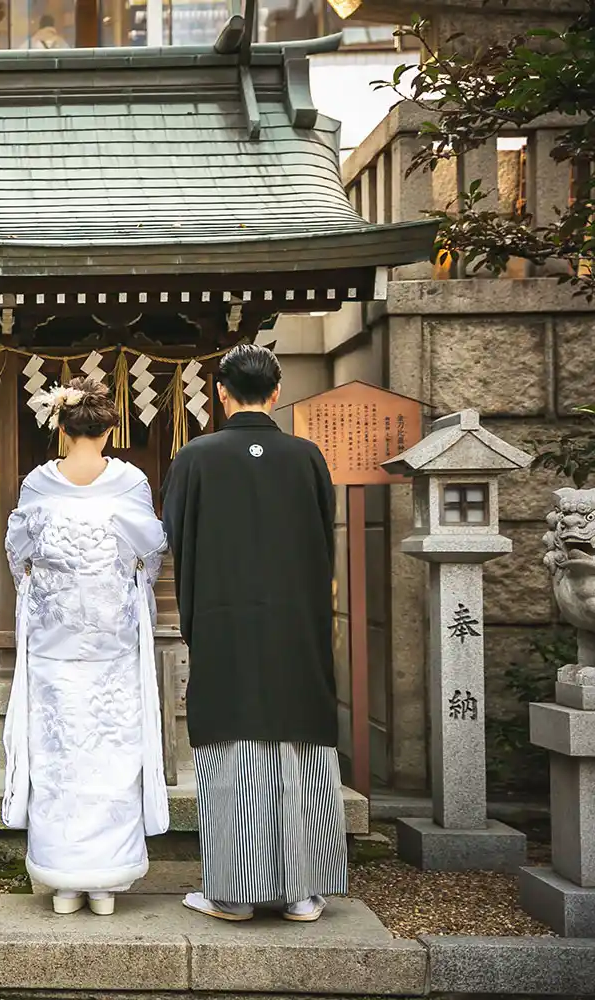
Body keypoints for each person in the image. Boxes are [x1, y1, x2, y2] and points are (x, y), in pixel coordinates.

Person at [160, 343, 346, 923]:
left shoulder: (196, 457)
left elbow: (175, 538)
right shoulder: (307, 457)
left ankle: (232, 892)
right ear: (277, 391)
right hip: (295, 624)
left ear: (219, 392)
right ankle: (301, 892)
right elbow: (323, 543)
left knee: (231, 751)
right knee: (298, 750)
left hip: (223, 619)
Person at [2, 376, 169, 916]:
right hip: (113, 640)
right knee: (113, 750)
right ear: (109, 426)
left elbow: (18, 557)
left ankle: (64, 879)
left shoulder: (38, 483)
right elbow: (150, 556)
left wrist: (43, 595)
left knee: (57, 754)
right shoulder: (131, 482)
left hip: (54, 639)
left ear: (60, 425)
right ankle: (106, 883)